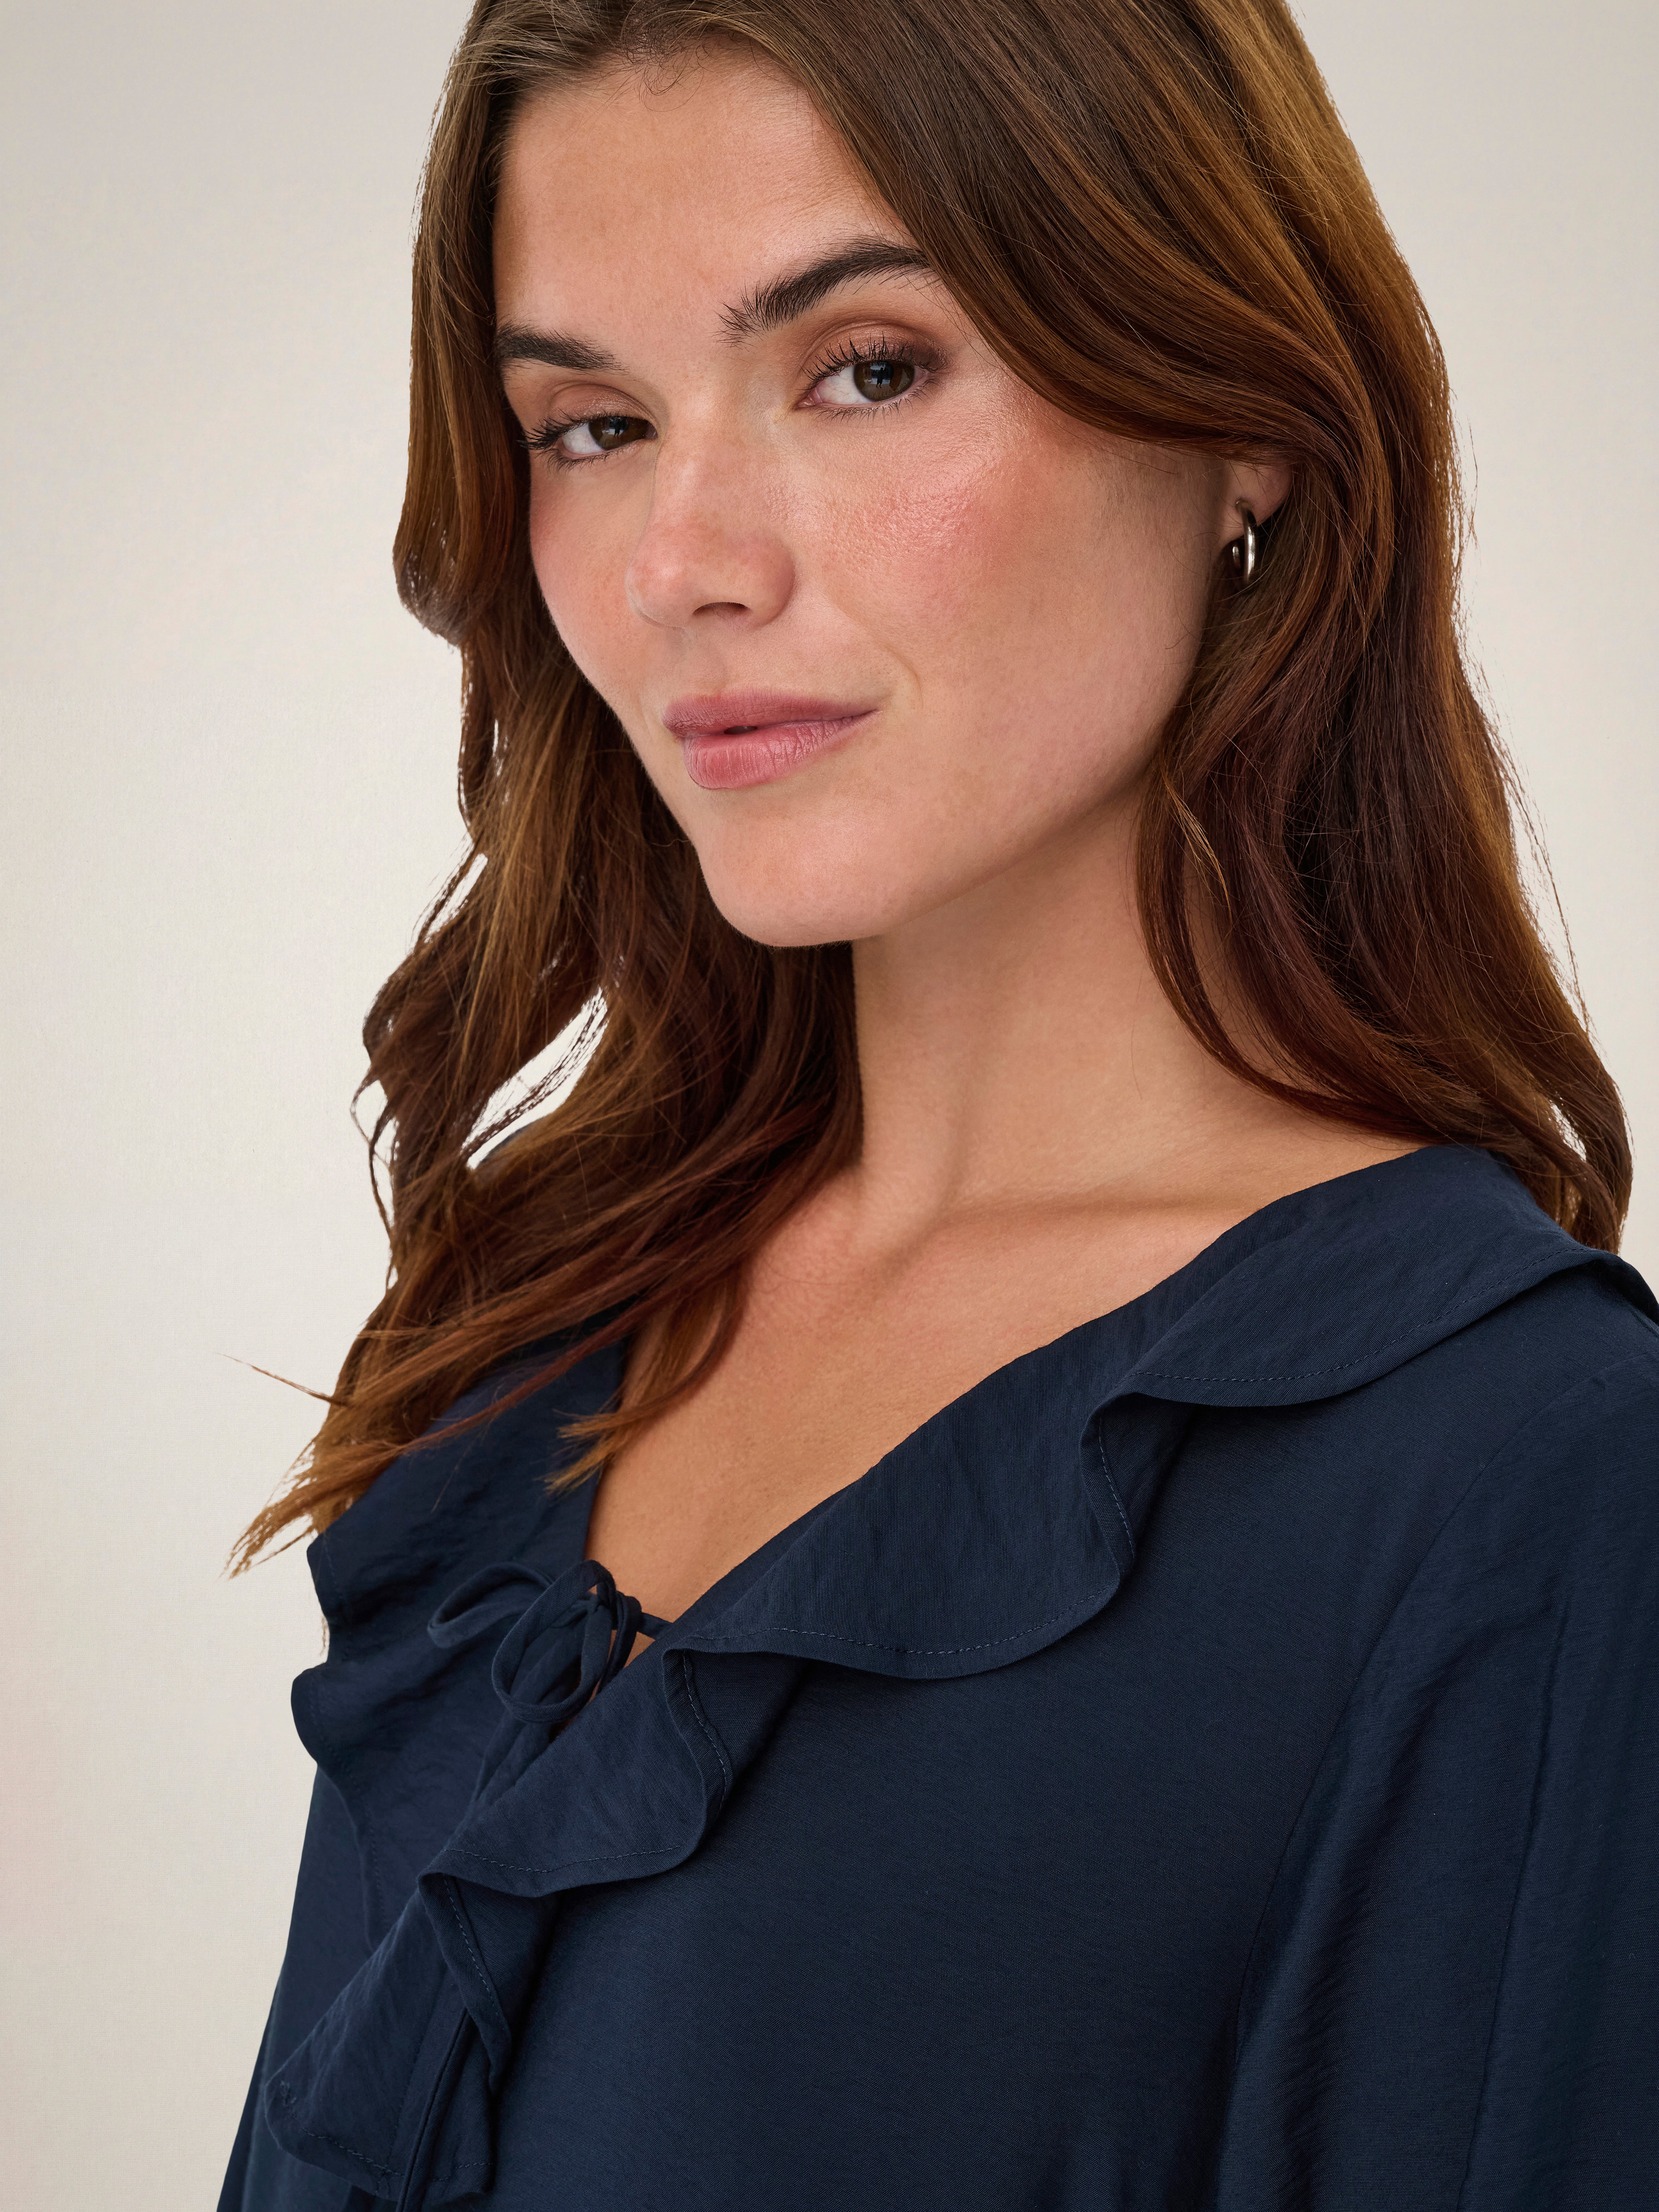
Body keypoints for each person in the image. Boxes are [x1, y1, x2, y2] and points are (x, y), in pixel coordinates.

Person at [220, 2, 1659, 2206]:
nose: (683, 561)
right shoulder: (534, 1339)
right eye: (591, 423)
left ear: (1240, 416)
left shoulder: (1521, 1478)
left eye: (867, 370)